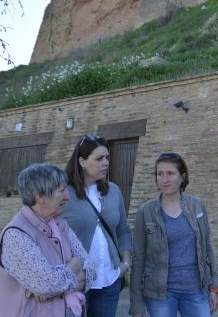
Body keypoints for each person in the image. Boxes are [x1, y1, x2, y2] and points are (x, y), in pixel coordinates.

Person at [0, 163, 96, 317]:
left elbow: (91, 269)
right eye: (61, 190)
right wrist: (76, 264)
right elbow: (49, 284)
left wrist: (54, 288)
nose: (68, 196)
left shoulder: (61, 225)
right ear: (40, 197)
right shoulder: (16, 235)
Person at [130, 152, 218, 317]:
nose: (164, 179)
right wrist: (136, 303)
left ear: (182, 177)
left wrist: (214, 287)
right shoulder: (146, 211)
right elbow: (138, 258)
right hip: (160, 293)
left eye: (170, 174)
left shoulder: (197, 206)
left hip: (196, 290)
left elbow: (207, 248)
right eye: (160, 174)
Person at [62, 134, 133, 317]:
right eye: (99, 158)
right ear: (82, 161)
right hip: (75, 282)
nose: (106, 163)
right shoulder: (63, 193)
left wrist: (125, 264)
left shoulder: (113, 191)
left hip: (109, 280)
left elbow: (123, 230)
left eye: (107, 158)